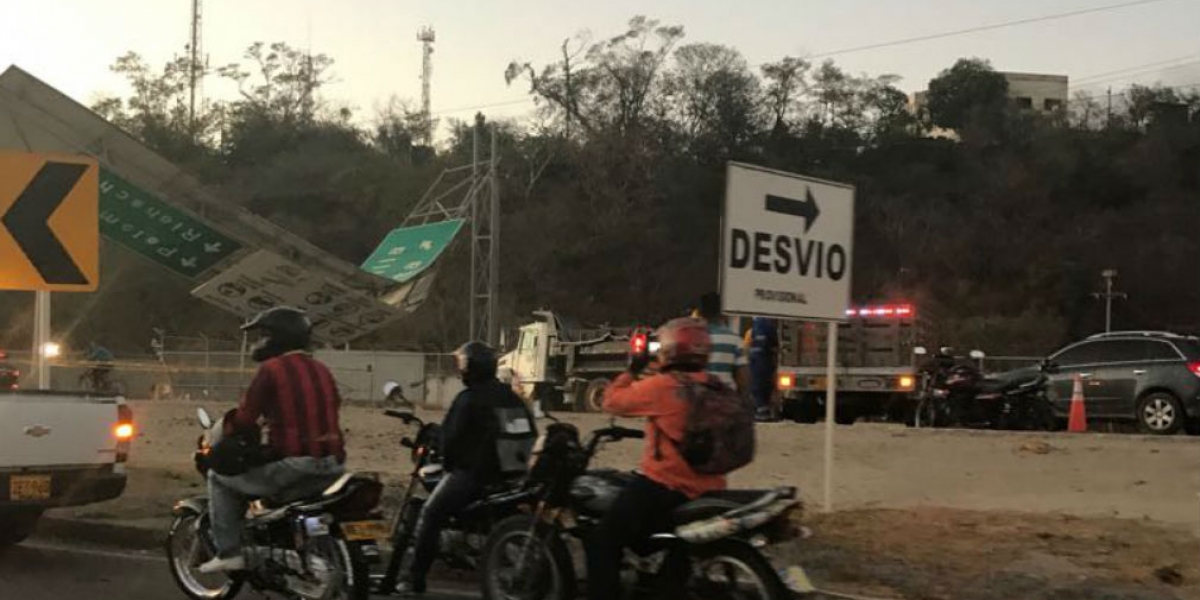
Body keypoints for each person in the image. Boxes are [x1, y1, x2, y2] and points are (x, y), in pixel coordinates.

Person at [199, 306, 347, 573]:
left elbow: (245, 419)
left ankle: (229, 552)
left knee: (219, 479)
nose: (260, 342)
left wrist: (228, 437)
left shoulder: (272, 369)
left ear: (277, 338)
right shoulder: (321, 369)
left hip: (297, 467)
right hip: (334, 466)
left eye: (263, 335)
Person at [591, 317, 728, 600]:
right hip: (712, 488)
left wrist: (633, 367)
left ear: (670, 350)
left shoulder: (663, 386)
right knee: (676, 553)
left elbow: (611, 401)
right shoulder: (718, 386)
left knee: (602, 540)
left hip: (666, 486)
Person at [398, 341, 537, 596]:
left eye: (463, 364)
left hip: (474, 476)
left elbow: (450, 441)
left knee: (431, 515)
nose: (460, 369)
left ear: (471, 368)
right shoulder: (511, 397)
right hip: (511, 476)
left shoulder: (469, 398)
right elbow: (531, 432)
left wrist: (450, 463)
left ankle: (414, 579)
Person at [696, 292, 748, 394]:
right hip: (725, 399)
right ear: (722, 313)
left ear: (700, 313)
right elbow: (743, 378)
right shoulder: (734, 340)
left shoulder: (693, 338)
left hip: (698, 399)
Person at [748, 317, 780, 421]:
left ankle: (762, 411)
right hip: (764, 361)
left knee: (758, 387)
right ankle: (764, 411)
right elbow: (774, 348)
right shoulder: (767, 326)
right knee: (764, 387)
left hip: (758, 361)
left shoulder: (757, 326)